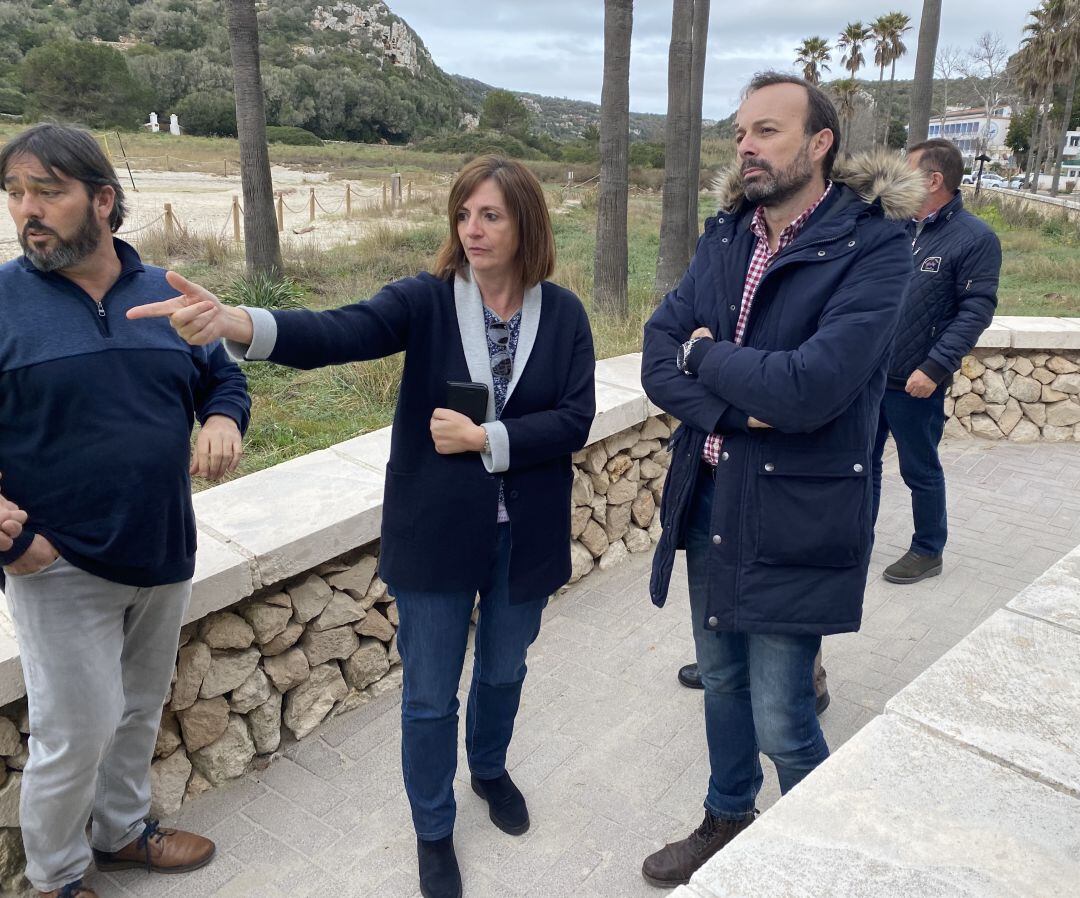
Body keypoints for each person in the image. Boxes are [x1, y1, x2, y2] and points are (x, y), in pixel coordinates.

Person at [129, 155, 596, 898]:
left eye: (491, 216)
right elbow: (337, 331)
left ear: (526, 224)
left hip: (525, 533)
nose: (471, 230)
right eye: (463, 215)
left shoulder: (564, 314)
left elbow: (577, 417)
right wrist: (237, 322)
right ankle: (434, 828)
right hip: (436, 531)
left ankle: (490, 767)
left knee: (505, 672)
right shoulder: (427, 299)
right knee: (430, 694)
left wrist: (490, 441)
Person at [639, 72, 922, 887]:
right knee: (721, 682)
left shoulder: (873, 247)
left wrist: (706, 356)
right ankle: (728, 817)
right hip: (709, 498)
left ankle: (828, 859)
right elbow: (660, 355)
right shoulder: (728, 235)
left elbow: (810, 389)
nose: (746, 148)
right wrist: (730, 407)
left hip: (796, 514)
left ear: (819, 143)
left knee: (783, 718)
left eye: (766, 130)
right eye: (740, 134)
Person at [0, 124, 251, 898]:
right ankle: (58, 875)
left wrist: (221, 419)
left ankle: (120, 834)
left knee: (138, 711)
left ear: (103, 200)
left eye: (48, 192)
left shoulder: (165, 294)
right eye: (15, 194)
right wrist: (19, 543)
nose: (25, 211)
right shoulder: (3, 302)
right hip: (58, 562)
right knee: (73, 735)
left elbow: (225, 379)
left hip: (164, 547)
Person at [873, 138, 1001, 584]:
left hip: (916, 381)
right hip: (871, 377)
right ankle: (855, 537)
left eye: (908, 173)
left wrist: (934, 367)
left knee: (919, 468)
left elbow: (976, 311)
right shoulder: (896, 228)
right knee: (861, 463)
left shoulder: (975, 238)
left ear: (934, 179)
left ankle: (928, 549)